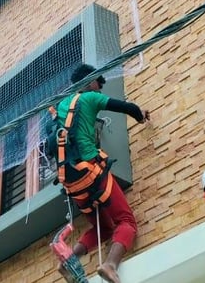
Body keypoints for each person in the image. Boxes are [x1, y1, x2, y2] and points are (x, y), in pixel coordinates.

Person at [53, 63, 150, 283]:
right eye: (98, 83)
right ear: (88, 81)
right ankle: (110, 265)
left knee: (104, 228)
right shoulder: (90, 98)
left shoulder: (60, 107)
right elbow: (127, 107)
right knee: (127, 221)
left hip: (72, 183)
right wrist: (140, 116)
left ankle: (68, 262)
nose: (99, 89)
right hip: (92, 173)